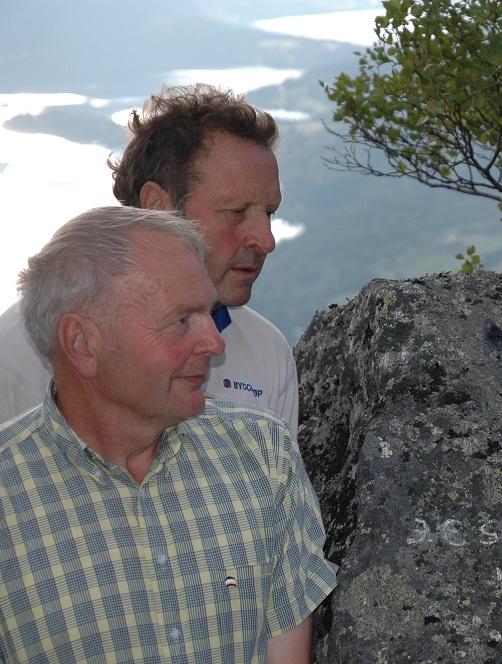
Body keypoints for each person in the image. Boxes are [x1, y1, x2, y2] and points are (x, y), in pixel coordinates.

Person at [0, 207, 337, 663]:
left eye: (207, 312)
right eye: (182, 320)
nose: (215, 344)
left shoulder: (263, 455)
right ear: (83, 344)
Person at [0, 84, 298, 432]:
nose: (266, 240)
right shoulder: (26, 350)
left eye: (270, 214)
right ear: (158, 206)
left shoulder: (266, 352)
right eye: (235, 211)